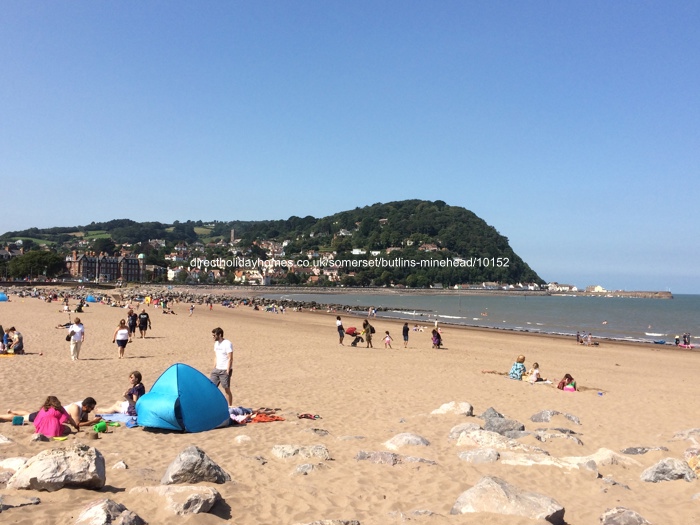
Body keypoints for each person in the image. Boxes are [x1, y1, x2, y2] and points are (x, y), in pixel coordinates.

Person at [210, 327, 233, 406]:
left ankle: (230, 406)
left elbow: (230, 358)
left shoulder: (227, 343)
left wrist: (227, 370)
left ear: (219, 335)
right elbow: (216, 356)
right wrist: (214, 367)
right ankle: (214, 405)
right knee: (211, 388)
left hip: (224, 370)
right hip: (216, 370)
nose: (213, 337)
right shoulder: (216, 344)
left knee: (226, 389)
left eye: (214, 335)